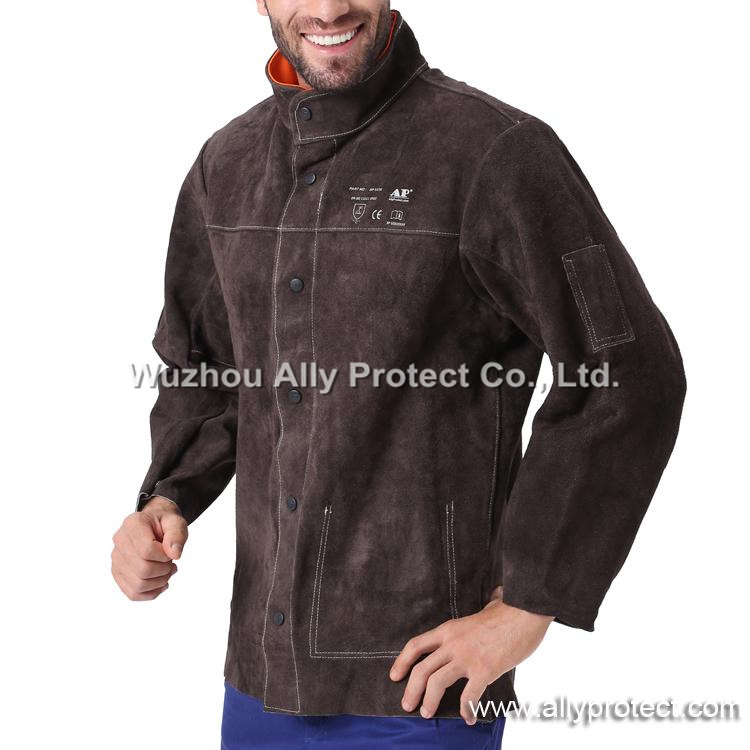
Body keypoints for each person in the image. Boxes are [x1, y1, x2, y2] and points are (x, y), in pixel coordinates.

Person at [111, 2, 686, 747]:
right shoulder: (226, 165)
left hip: (427, 690)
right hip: (258, 682)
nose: (327, 8)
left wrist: (526, 605)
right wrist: (165, 497)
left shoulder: (493, 152)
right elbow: (209, 369)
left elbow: (628, 369)